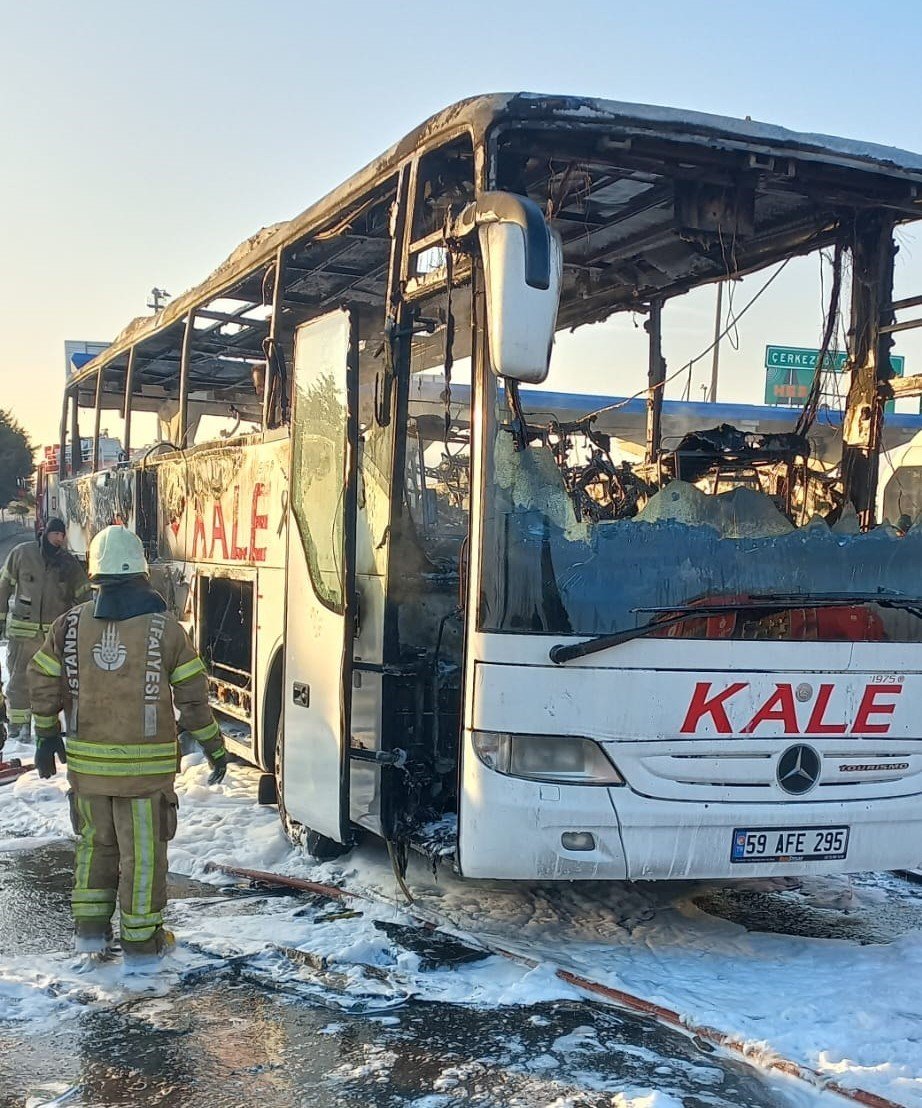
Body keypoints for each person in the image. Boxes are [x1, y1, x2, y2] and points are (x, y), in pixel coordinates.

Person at [28, 525, 228, 965]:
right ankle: (141, 946)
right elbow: (193, 701)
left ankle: (90, 937)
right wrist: (214, 746)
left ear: (95, 572)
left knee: (94, 848)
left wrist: (45, 734)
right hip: (145, 779)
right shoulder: (166, 630)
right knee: (141, 858)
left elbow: (42, 676)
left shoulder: (69, 625)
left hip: (88, 775)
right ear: (141, 571)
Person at [0, 518, 91, 741]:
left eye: (62, 535)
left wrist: (88, 626)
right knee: (20, 680)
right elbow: (4, 588)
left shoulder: (69, 564)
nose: (59, 539)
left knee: (52, 683)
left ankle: (48, 725)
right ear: (45, 533)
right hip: (23, 635)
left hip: (54, 637)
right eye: (55, 534)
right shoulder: (22, 554)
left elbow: (84, 597)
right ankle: (18, 725)